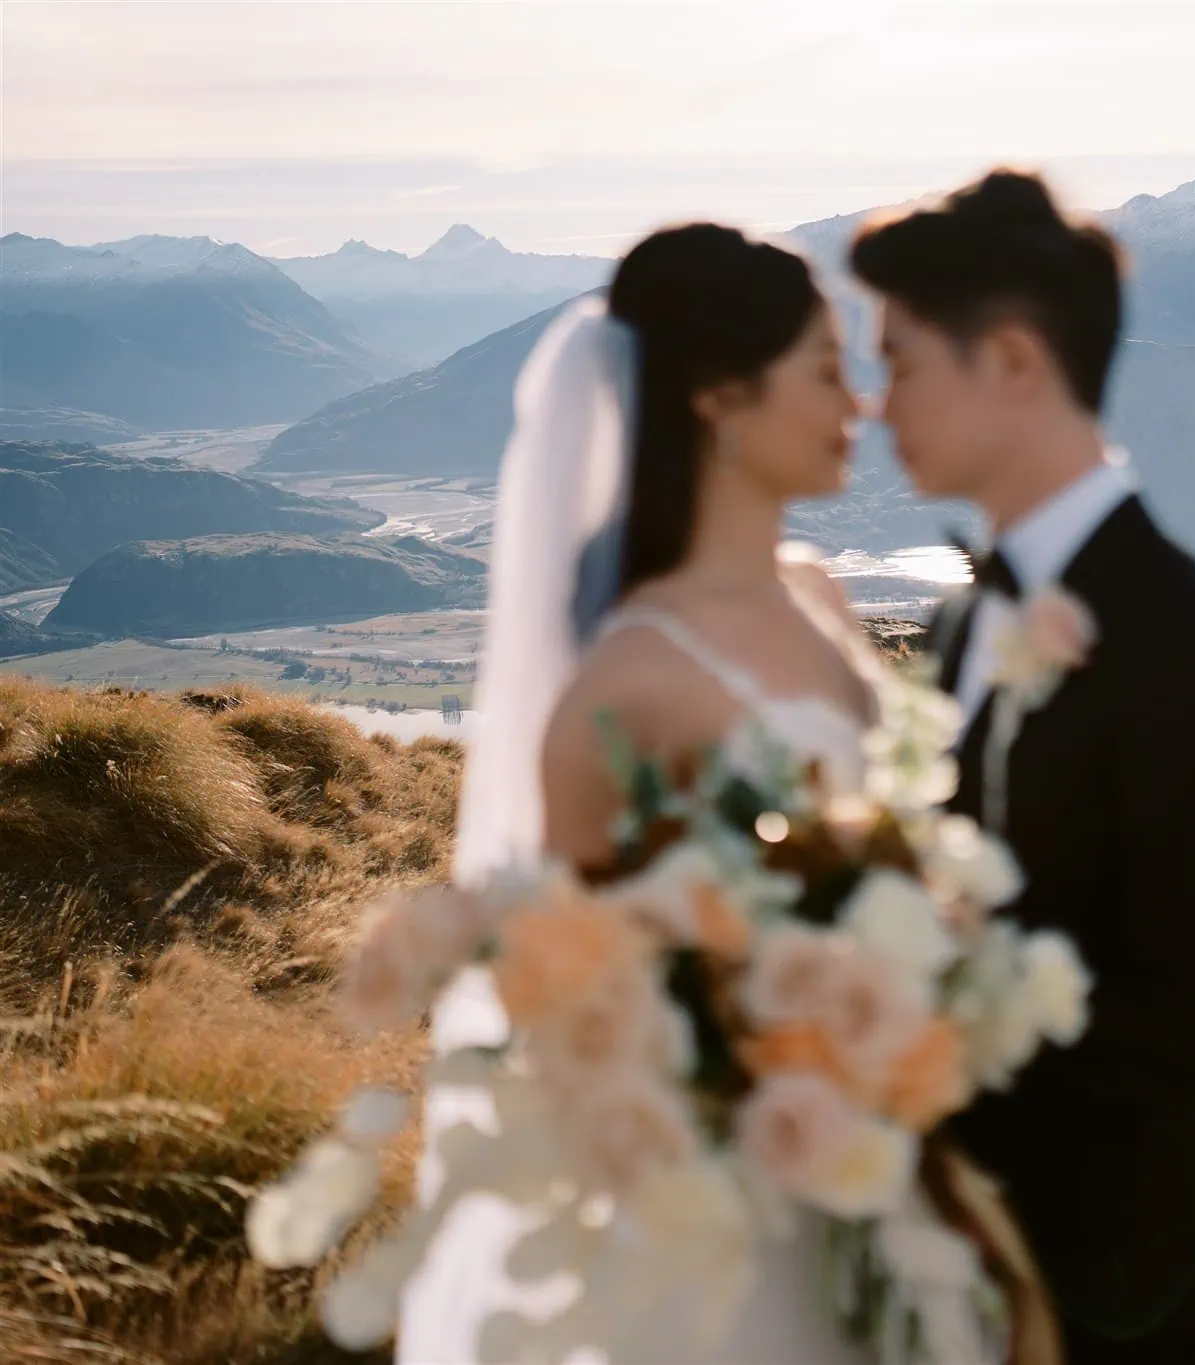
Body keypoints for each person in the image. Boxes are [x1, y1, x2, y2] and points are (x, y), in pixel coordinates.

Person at [399, 223, 880, 1364]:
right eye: (823, 371)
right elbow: (562, 1007)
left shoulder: (819, 595)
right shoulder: (625, 686)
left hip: (877, 1154)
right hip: (729, 1210)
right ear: (719, 398)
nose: (855, 406)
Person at [852, 169, 1195, 1364]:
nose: (875, 405)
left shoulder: (1193, 645)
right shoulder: (955, 623)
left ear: (1009, 362)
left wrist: (934, 1062)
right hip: (943, 1238)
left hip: (1114, 1272)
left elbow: (1194, 1020)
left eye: (898, 362)